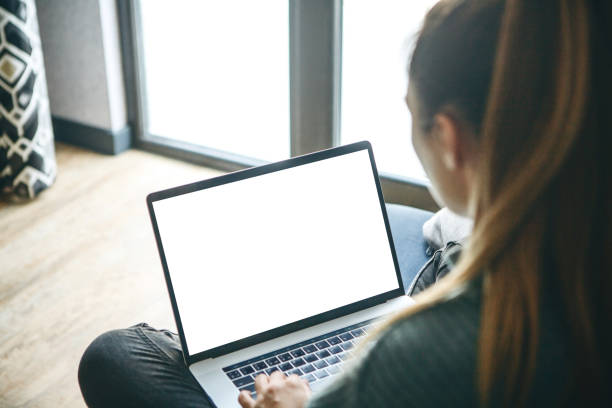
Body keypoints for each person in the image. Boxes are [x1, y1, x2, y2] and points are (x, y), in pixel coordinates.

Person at [78, 0, 612, 406]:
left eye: (410, 110)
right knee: (407, 224)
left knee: (116, 353)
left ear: (449, 140)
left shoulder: (409, 356)